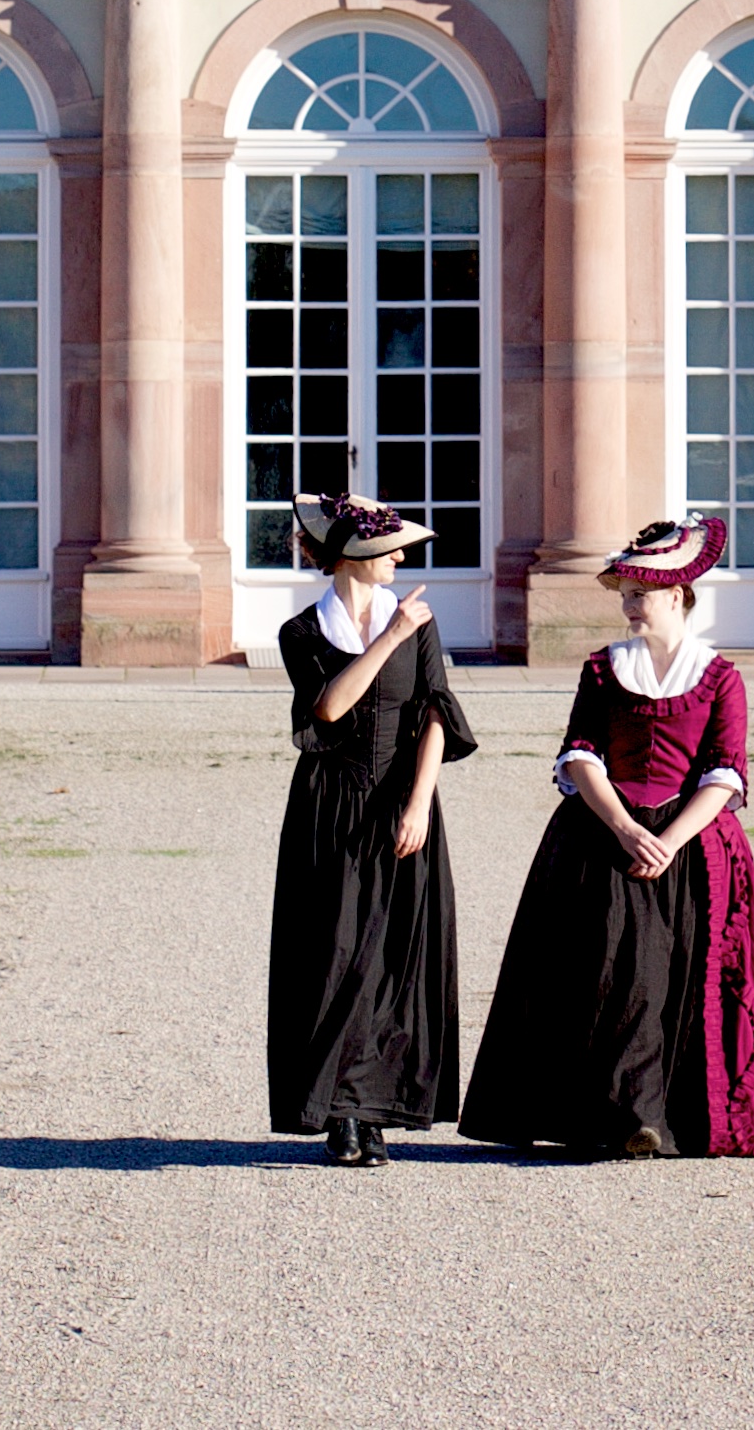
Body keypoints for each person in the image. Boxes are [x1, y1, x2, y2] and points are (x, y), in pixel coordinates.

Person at [461, 514, 754, 1159]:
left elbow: (725, 773)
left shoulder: (719, 676)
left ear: (678, 595)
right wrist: (627, 828)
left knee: (680, 978)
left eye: (641, 594)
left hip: (693, 846)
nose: (629, 605)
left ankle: (666, 1116)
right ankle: (613, 1117)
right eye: (626, 594)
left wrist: (671, 840)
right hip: (603, 833)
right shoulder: (603, 669)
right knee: (609, 974)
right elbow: (580, 754)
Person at [268, 490, 478, 1167]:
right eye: (389, 548)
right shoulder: (302, 633)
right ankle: (338, 1112)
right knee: (332, 957)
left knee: (394, 960)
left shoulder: (418, 621)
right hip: (329, 808)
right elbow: (328, 709)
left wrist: (419, 803)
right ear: (351, 555)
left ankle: (374, 1112)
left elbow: (438, 713)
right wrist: (389, 636)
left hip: (402, 803)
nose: (400, 558)